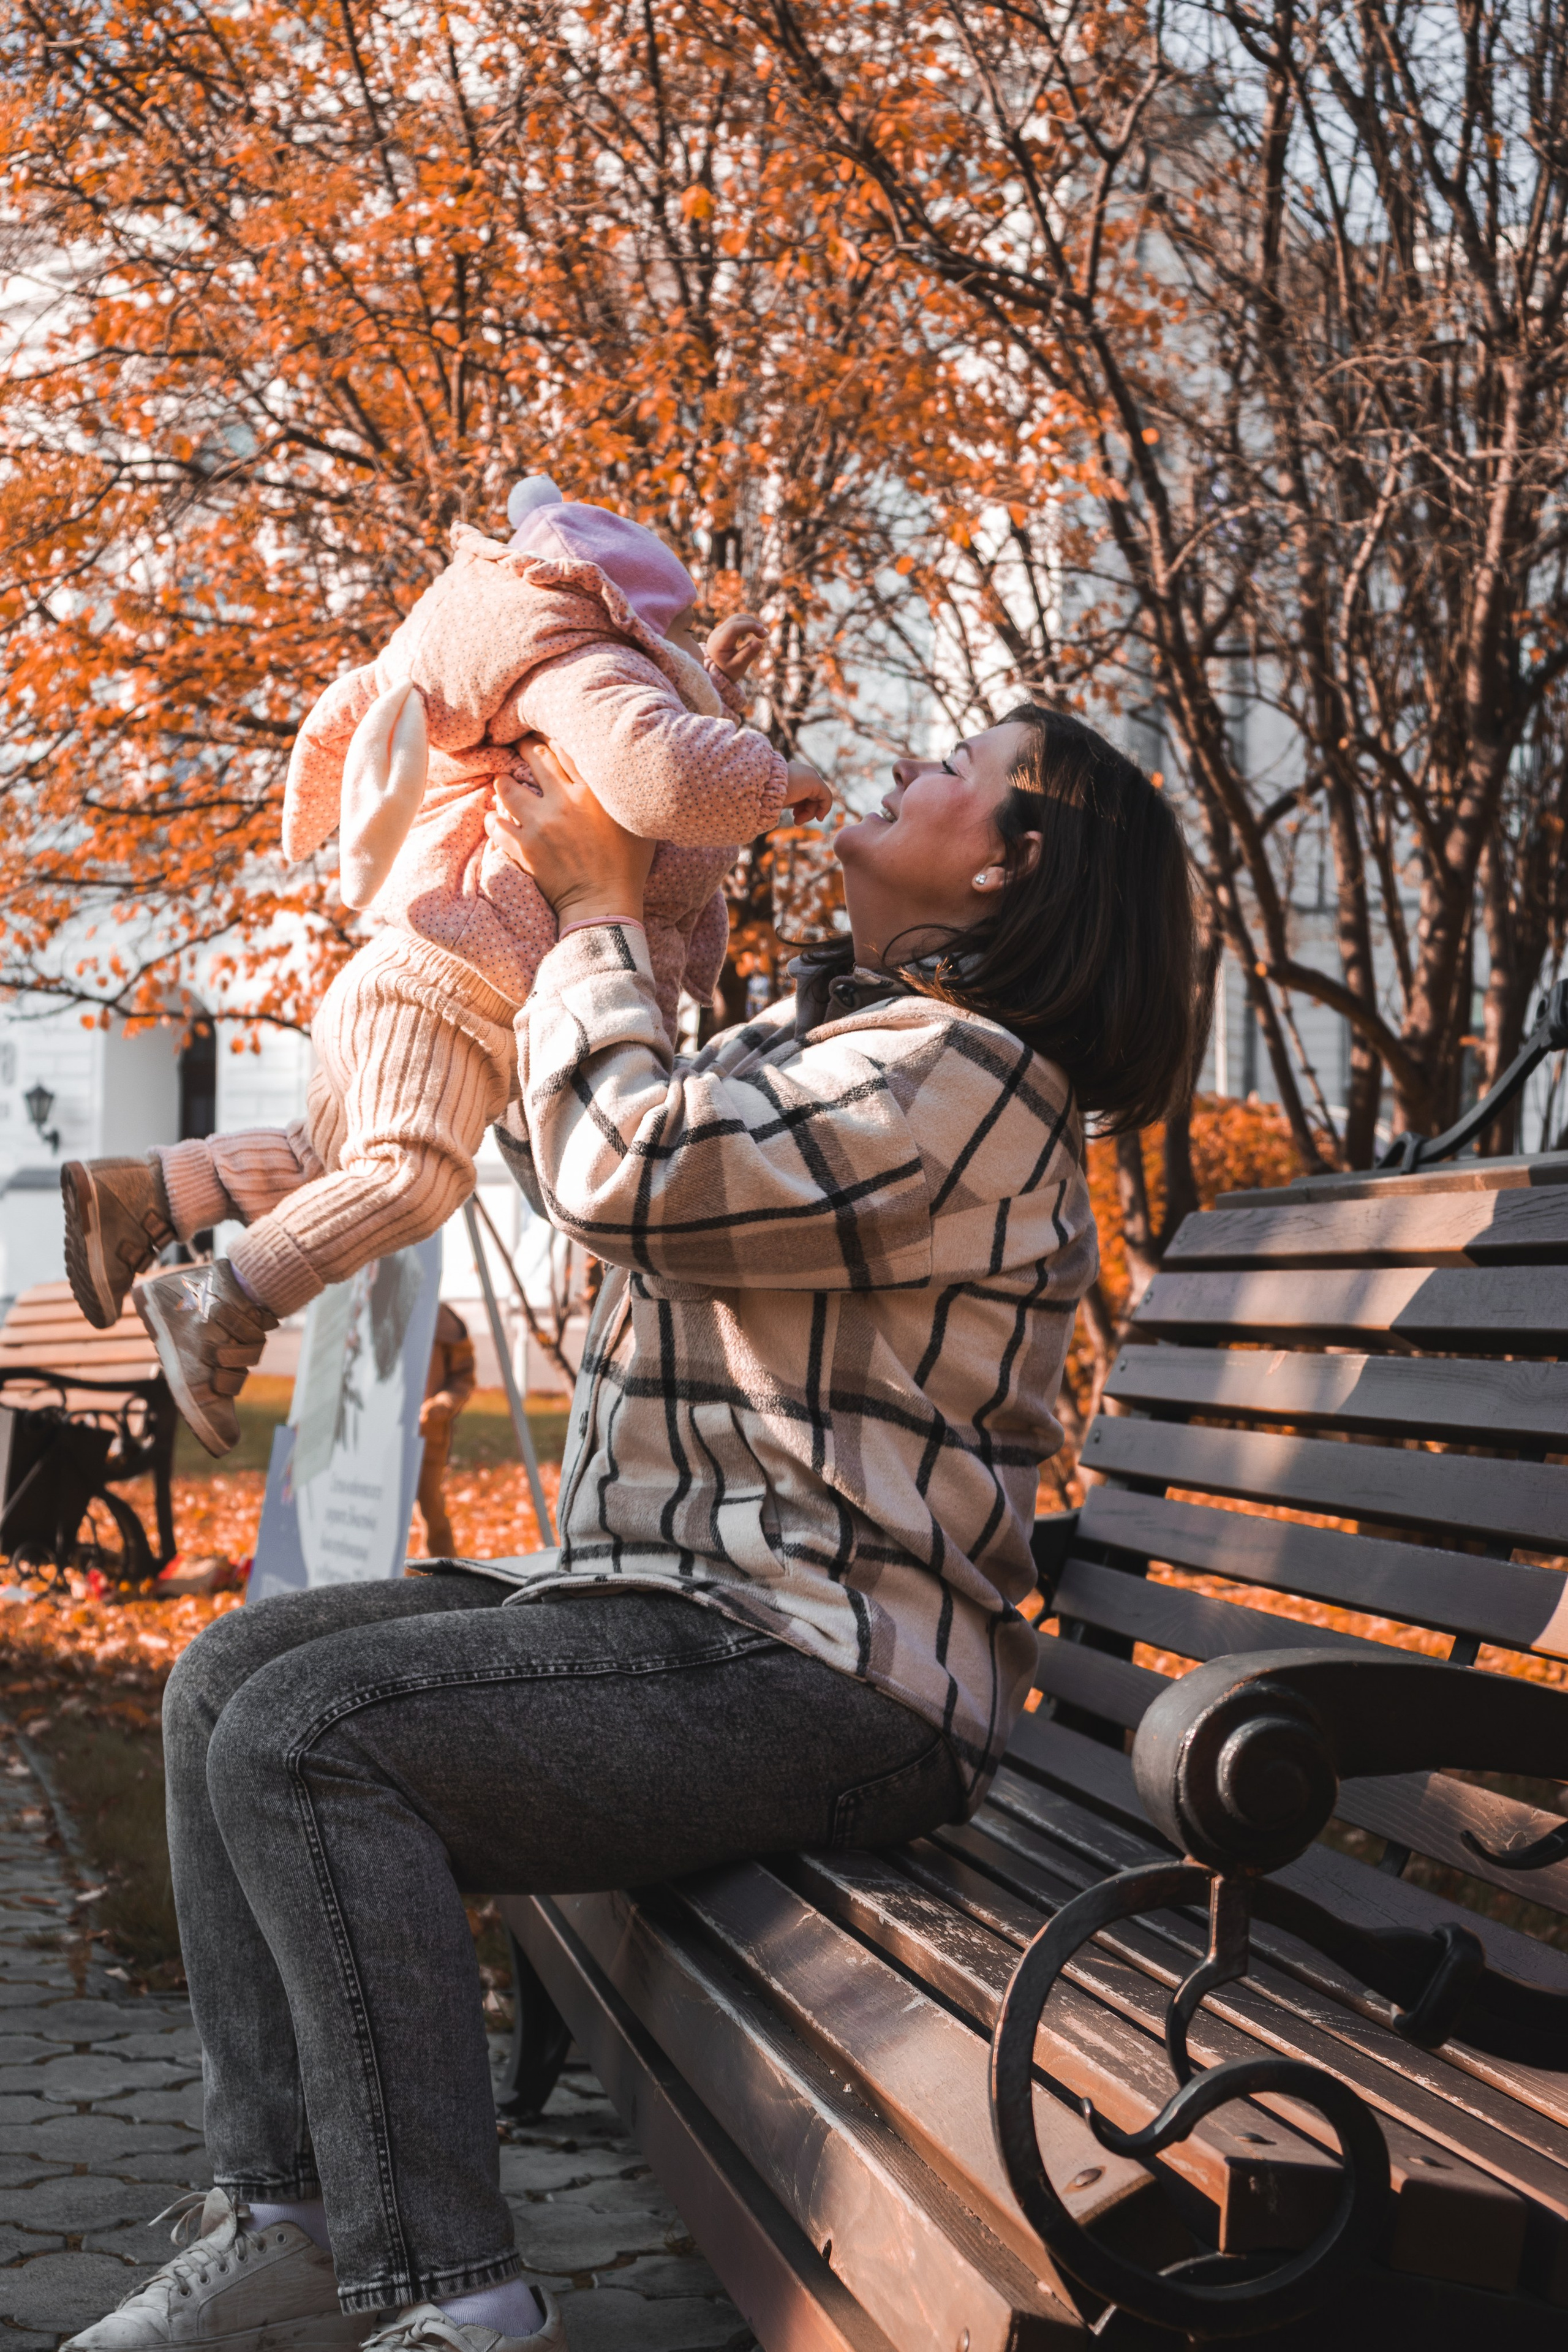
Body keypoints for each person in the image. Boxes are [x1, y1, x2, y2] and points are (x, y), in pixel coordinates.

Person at [62, 704, 1201, 2352]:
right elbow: (567, 1139)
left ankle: (457, 2296)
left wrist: (598, 912)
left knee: (315, 1739)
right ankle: (292, 2214)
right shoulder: (835, 1049)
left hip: (834, 1674)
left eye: (964, 759)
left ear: (1015, 860)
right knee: (227, 1678)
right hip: (677, 1615)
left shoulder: (975, 1081)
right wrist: (636, 857)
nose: (914, 759)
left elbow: (634, 1181)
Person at [58, 478, 827, 1461]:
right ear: (618, 610)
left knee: (322, 1165)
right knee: (414, 1180)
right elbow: (664, 776)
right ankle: (220, 1300)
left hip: (421, 976)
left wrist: (709, 686)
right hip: (450, 987)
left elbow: (644, 765)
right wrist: (770, 778)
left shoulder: (534, 674)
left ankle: (149, 1193)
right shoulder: (577, 667)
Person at [415, 1305, 478, 1559]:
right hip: (377, 1435)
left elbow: (463, 1377)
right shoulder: (372, 1309)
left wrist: (443, 1404)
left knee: (429, 1508)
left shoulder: (443, 1322)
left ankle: (436, 1574)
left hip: (428, 1433)